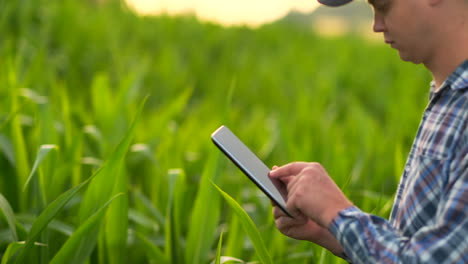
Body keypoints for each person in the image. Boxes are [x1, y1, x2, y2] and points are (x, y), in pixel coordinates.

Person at [268, 0, 468, 262]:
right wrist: (331, 231)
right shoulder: (449, 97)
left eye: (383, 6)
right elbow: (420, 243)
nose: (376, 25)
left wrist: (336, 212)